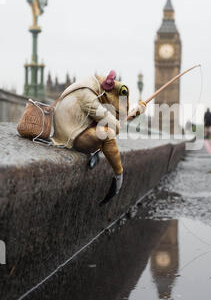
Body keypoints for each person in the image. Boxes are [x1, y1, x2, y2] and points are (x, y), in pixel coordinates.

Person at [51, 71, 146, 202]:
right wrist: (118, 123)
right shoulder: (87, 93)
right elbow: (113, 123)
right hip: (71, 135)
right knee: (107, 134)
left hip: (79, 128)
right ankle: (118, 176)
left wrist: (138, 110)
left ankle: (96, 151)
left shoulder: (93, 88)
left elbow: (118, 116)